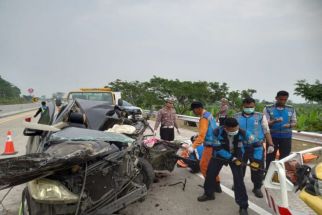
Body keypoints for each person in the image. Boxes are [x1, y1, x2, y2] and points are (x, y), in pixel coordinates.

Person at [198, 118, 254, 215]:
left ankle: (243, 206)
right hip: (219, 155)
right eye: (231, 130)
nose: (234, 132)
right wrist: (231, 158)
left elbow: (256, 144)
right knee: (210, 174)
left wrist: (256, 159)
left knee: (239, 180)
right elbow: (217, 148)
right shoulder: (216, 132)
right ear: (225, 128)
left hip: (237, 157)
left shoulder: (244, 132)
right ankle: (209, 194)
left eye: (236, 129)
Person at [234, 97, 274, 198]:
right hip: (241, 147)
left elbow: (266, 131)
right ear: (243, 106)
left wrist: (271, 144)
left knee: (258, 168)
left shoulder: (260, 116)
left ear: (254, 106)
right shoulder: (236, 116)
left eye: (251, 107)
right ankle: (238, 184)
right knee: (239, 167)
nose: (249, 108)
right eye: (247, 107)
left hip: (257, 148)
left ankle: (257, 187)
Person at [188, 101, 221, 193]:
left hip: (210, 145)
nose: (193, 112)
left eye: (194, 110)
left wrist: (193, 146)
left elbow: (202, 136)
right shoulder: (209, 114)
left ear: (199, 108)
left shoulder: (203, 118)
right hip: (216, 143)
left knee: (203, 166)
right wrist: (198, 135)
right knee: (212, 167)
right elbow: (208, 129)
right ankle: (217, 186)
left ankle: (210, 186)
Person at [264, 91, 297, 170]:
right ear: (276, 98)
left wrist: (289, 125)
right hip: (272, 137)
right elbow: (265, 123)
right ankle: (267, 174)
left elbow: (294, 122)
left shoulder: (291, 109)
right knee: (270, 157)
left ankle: (281, 175)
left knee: (284, 158)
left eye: (285, 100)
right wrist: (275, 121)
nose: (283, 101)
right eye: (281, 99)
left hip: (286, 137)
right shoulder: (268, 108)